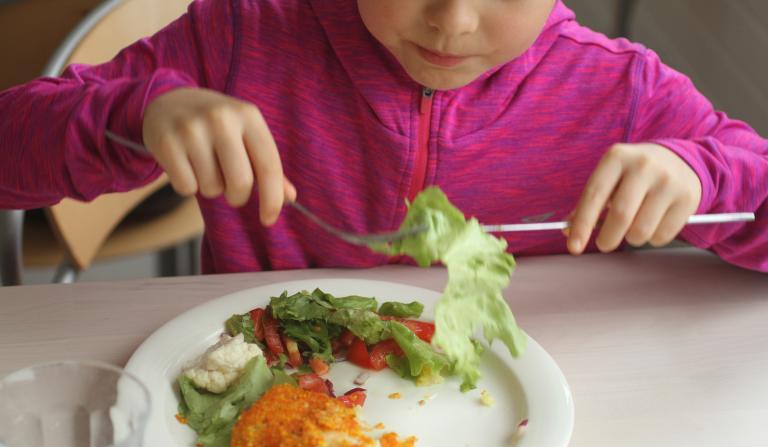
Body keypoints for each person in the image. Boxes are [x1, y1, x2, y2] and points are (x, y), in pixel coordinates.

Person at [0, 0, 765, 273]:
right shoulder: (242, 33)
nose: (454, 21)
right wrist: (135, 113)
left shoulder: (616, 89)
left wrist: (705, 177)